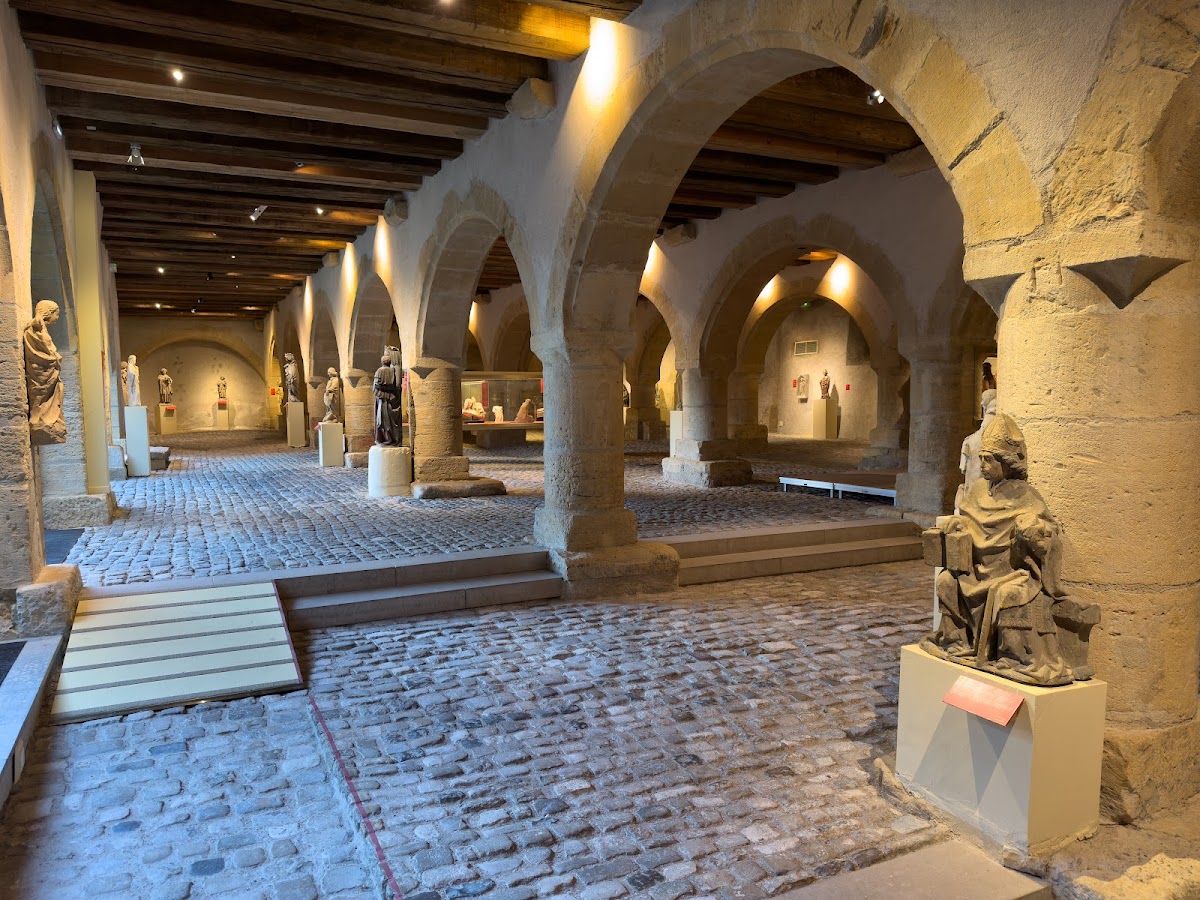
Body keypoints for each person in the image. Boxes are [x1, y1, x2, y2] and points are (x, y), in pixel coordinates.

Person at [921, 413, 1090, 686]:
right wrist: (958, 524)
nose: (983, 465)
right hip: (976, 570)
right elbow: (969, 520)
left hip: (1011, 572)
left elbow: (1049, 536)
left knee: (1009, 594)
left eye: (989, 459)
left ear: (1007, 463)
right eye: (981, 458)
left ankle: (1016, 658)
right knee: (945, 582)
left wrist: (1033, 530)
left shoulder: (1026, 496)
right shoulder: (978, 490)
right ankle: (955, 642)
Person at [23, 299, 65, 444]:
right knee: (41, 396)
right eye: (56, 314)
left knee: (56, 392)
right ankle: (41, 419)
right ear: (49, 312)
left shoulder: (41, 329)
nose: (57, 318)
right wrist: (54, 358)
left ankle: (48, 418)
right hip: (42, 372)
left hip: (49, 371)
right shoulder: (35, 329)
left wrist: (55, 357)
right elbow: (38, 353)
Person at [372, 353, 403, 444]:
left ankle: (385, 438)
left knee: (382, 420)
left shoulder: (379, 371)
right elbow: (396, 385)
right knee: (388, 419)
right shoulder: (393, 371)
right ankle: (391, 438)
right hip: (391, 398)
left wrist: (382, 389)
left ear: (382, 362)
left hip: (382, 399)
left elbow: (376, 385)